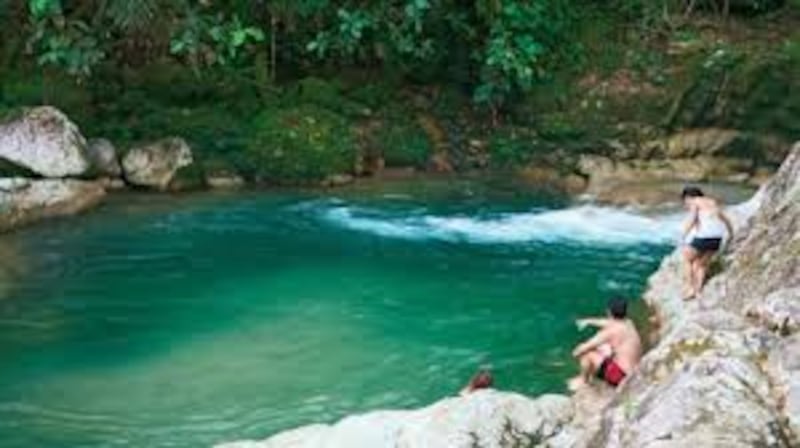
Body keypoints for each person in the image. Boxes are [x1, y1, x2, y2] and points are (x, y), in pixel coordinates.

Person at [568, 297, 642, 391]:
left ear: (609, 312)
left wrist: (576, 351)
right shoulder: (629, 323)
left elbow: (582, 349)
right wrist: (588, 321)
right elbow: (608, 323)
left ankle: (583, 381)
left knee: (587, 354)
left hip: (622, 377)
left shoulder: (610, 332)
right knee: (604, 347)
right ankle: (592, 374)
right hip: (634, 371)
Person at [680, 186, 734, 300]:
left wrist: (683, 235)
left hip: (704, 237)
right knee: (701, 264)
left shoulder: (695, 202)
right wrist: (731, 233)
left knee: (687, 259)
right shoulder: (712, 202)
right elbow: (725, 219)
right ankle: (698, 290)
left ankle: (690, 288)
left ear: (688, 197)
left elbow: (692, 219)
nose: (686, 204)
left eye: (685, 201)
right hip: (716, 238)